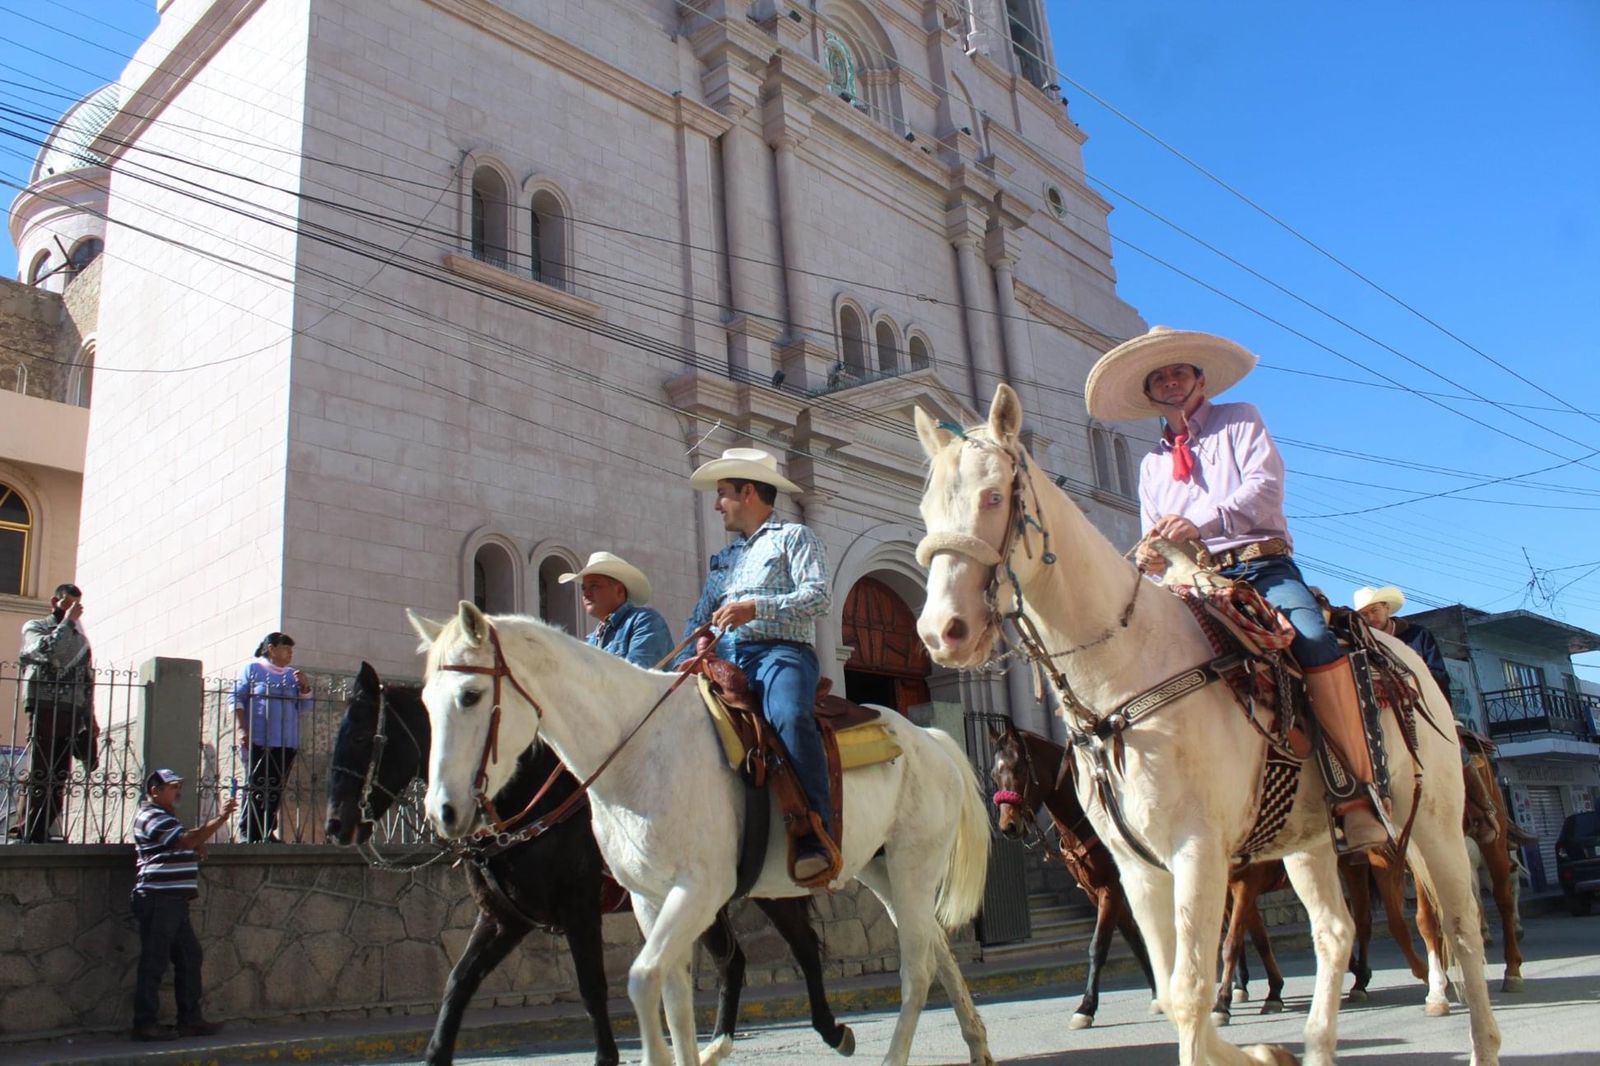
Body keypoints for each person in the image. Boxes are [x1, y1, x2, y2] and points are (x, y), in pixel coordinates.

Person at [1086, 326, 1388, 852]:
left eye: (1180, 371)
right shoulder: (1152, 463)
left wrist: (1198, 523)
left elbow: (1264, 489)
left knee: (1313, 638)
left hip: (1260, 567)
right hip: (1192, 583)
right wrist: (1151, 555)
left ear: (1200, 379)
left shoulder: (1241, 420)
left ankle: (1353, 793)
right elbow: (1154, 532)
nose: (1171, 381)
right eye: (1160, 376)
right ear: (1150, 393)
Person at [681, 447, 834, 882]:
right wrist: (697, 644)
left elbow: (819, 597)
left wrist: (755, 608)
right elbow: (699, 616)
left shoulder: (795, 538)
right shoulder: (725, 558)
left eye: (723, 493)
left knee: (788, 714)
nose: (716, 504)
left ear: (748, 492)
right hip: (725, 660)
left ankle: (813, 829)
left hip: (780, 653)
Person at [130, 768, 236, 1041]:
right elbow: (186, 840)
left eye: (179, 786)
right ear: (155, 790)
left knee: (190, 957)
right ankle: (145, 1023)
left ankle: (190, 1020)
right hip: (158, 898)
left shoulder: (167, 818)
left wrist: (193, 844)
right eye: (172, 786)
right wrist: (221, 819)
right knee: (154, 962)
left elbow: (185, 841)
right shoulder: (150, 815)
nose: (178, 791)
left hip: (173, 901)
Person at [16, 583, 95, 843]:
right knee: (40, 768)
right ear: (55, 602)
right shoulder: (35, 627)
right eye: (67, 603)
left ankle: (45, 828)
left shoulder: (81, 640)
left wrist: (89, 720)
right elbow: (48, 652)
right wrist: (66, 623)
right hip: (43, 705)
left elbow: (86, 680)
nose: (73, 610)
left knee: (59, 774)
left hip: (70, 710)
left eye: (77, 606)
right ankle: (28, 828)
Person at [231, 633, 312, 842]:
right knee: (257, 785)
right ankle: (249, 832)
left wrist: (304, 687)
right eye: (286, 648)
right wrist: (242, 730)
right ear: (271, 649)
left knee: (275, 787)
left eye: (291, 650)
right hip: (259, 739)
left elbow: (304, 708)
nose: (290, 653)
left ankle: (266, 831)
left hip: (286, 742)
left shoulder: (293, 675)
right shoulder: (253, 670)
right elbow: (236, 698)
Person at [559, 551, 674, 668]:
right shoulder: (592, 640)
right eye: (584, 588)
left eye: (594, 586)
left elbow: (637, 675)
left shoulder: (644, 621)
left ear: (619, 591)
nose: (586, 594)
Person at [1353, 585, 1452, 700]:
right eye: (1364, 614)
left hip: (1428, 704)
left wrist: (1407, 679)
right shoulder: (1363, 645)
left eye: (1375, 610)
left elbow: (1439, 675)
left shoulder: (1418, 634)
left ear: (1387, 608)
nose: (1370, 617)